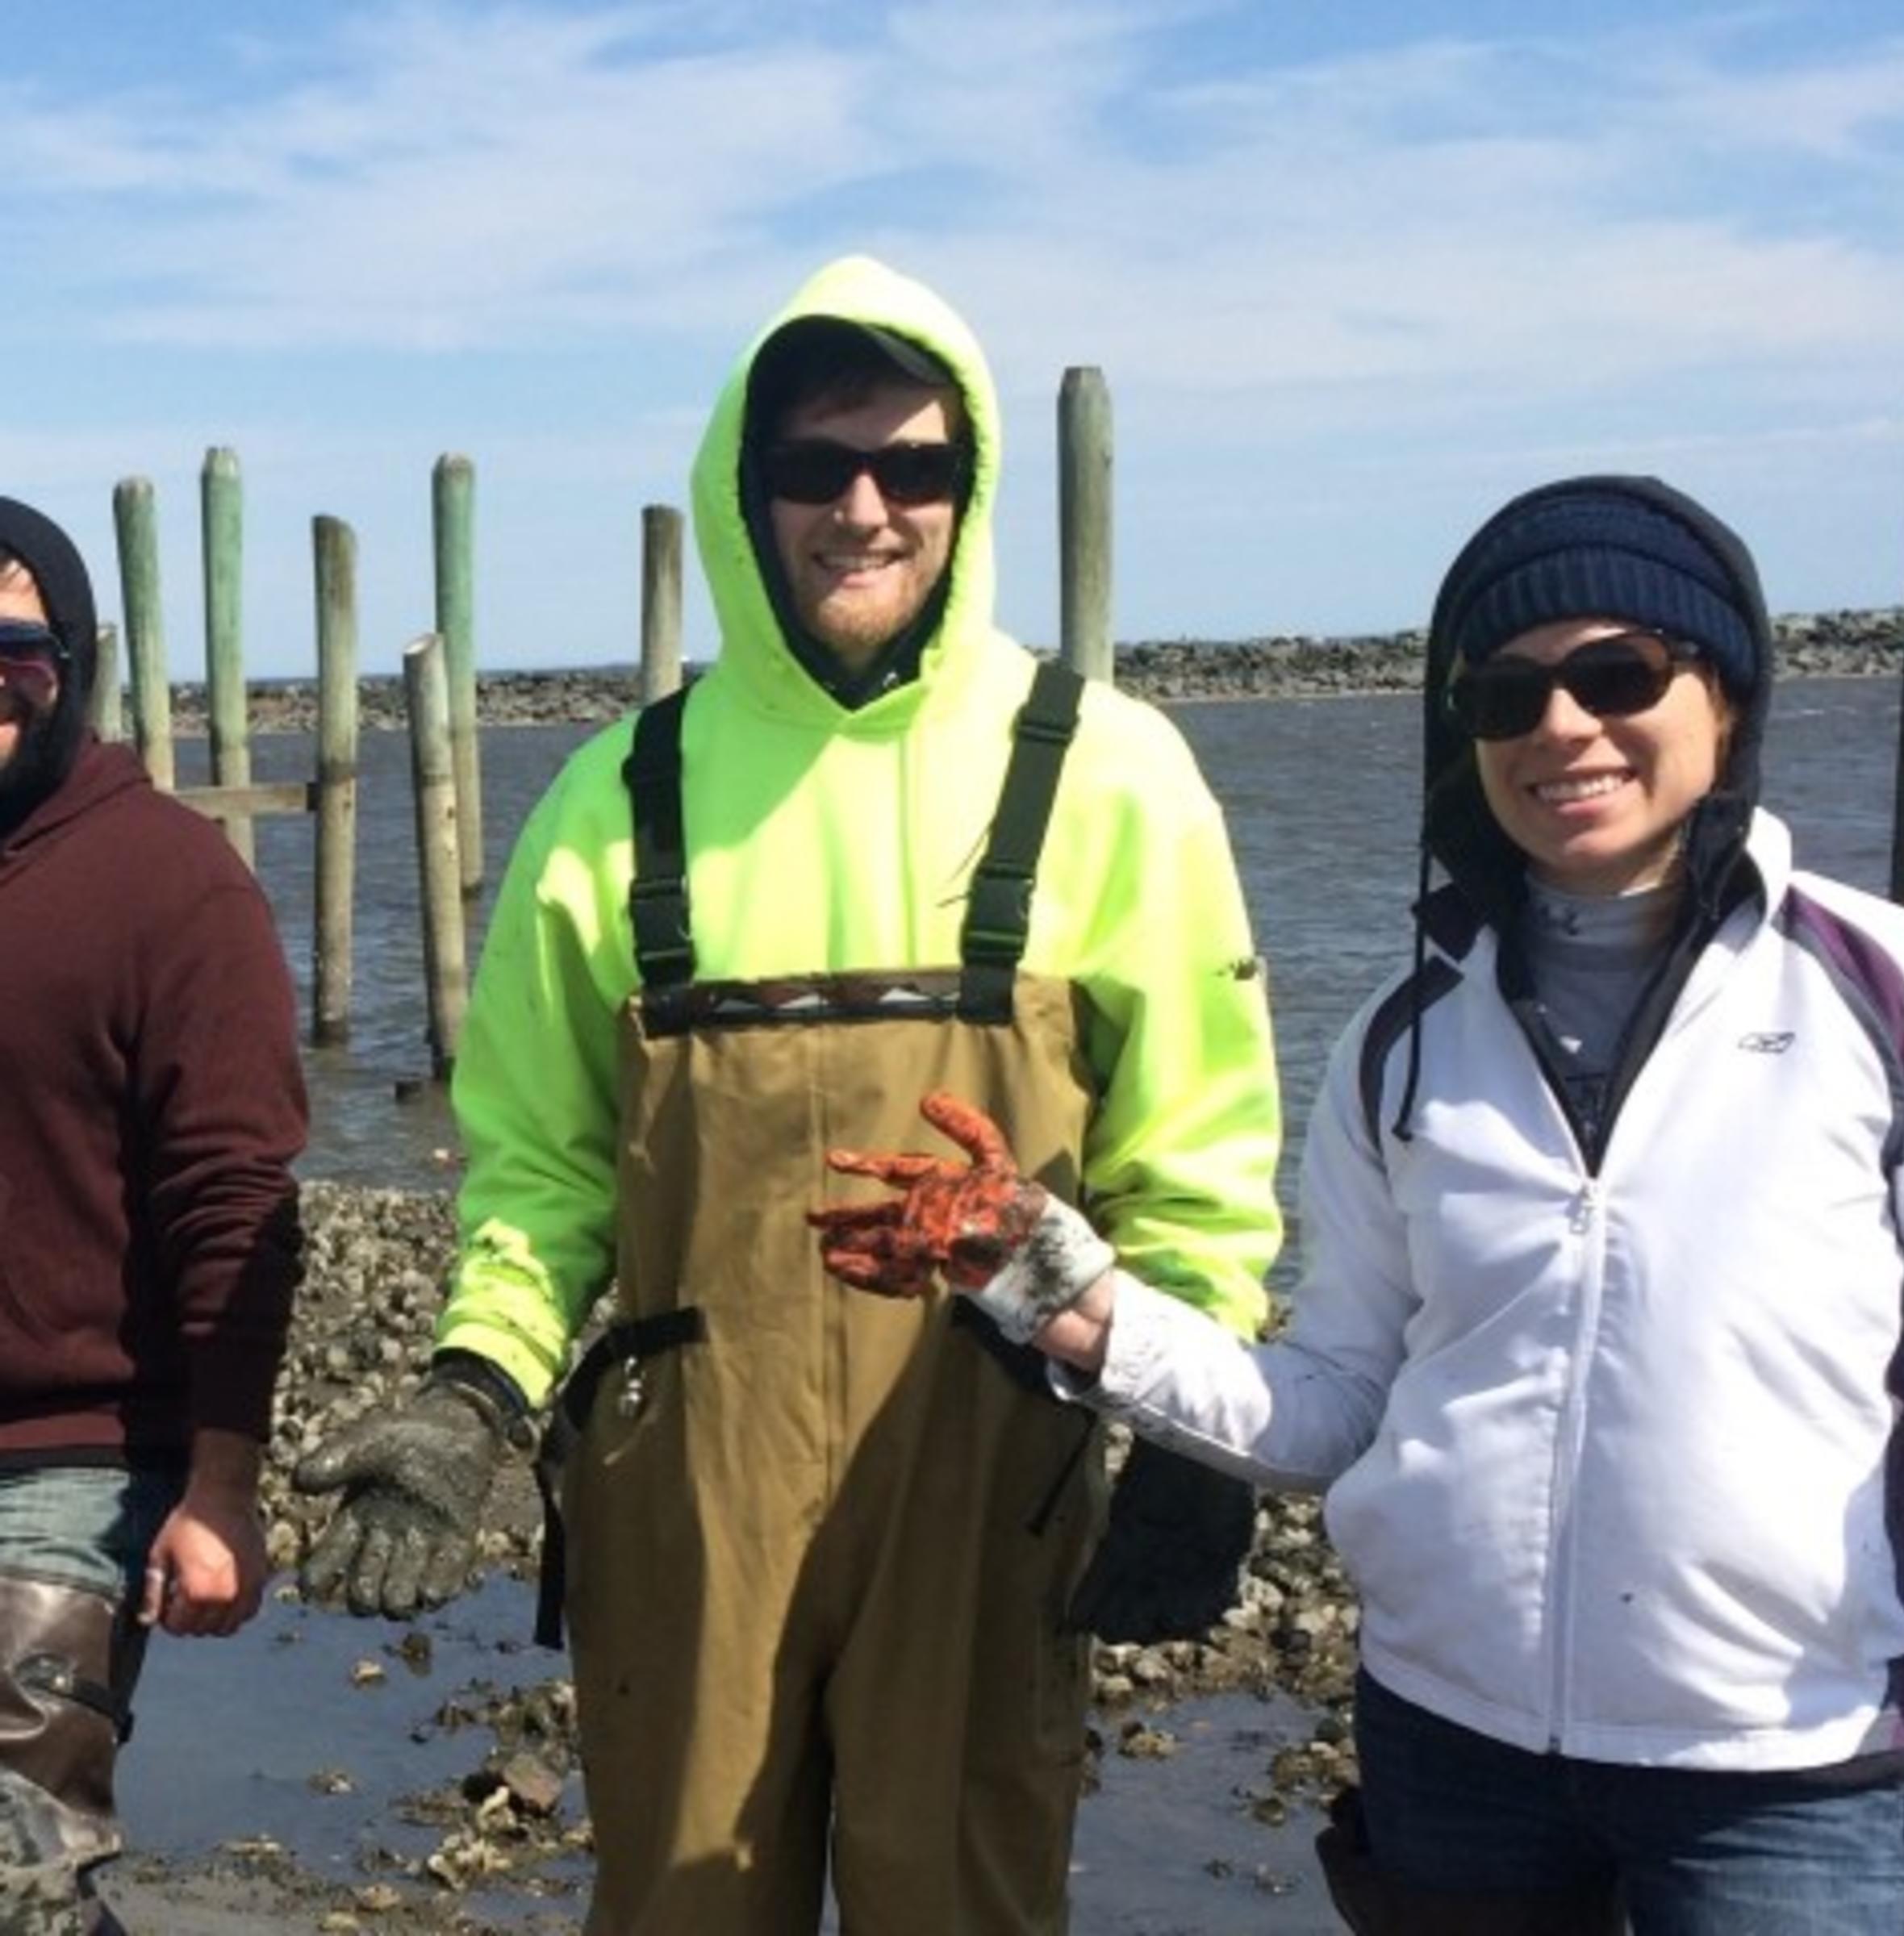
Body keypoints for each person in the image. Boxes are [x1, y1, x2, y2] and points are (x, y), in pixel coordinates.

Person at [293, 254, 1282, 1933]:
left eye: (914, 467)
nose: (865, 509)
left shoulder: (1113, 775)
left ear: (970, 494)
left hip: (996, 1475)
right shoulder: (617, 799)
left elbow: (1197, 1159)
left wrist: (1198, 1436)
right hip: (686, 1494)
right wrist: (474, 1393)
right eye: (816, 467)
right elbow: (539, 1177)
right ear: (743, 494)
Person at [814, 476, 1904, 1936]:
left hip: (1788, 1770)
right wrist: (1061, 1293)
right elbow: (1336, 1402)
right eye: (1506, 696)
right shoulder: (1401, 1044)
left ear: (1723, 698)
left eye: (1617, 676)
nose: (1563, 730)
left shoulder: (1890, 997)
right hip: (1450, 1741)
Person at [0, 496, 307, 1934]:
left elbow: (237, 1200)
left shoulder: (176, 888)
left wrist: (222, 1487)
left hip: (77, 1456)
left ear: (74, 667)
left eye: (14, 659)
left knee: (15, 1869)